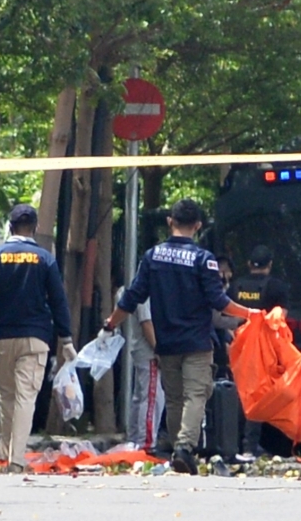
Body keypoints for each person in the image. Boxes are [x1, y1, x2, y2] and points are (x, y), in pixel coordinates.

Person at [100, 199, 258, 475]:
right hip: (196, 342)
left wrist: (111, 323)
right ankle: (185, 447)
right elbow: (219, 301)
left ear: (170, 222)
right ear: (197, 226)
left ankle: (178, 452)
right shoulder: (203, 259)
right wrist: (250, 313)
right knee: (196, 394)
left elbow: (133, 297)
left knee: (173, 398)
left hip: (166, 342)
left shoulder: (152, 256)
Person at [0, 204, 76, 473]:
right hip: (36, 339)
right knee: (26, 397)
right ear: (36, 228)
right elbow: (58, 301)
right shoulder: (45, 259)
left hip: (3, 338)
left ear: (10, 226)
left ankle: (5, 455)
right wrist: (66, 339)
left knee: (6, 396)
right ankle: (17, 460)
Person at [228, 244, 290, 459]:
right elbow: (279, 320)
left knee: (238, 396)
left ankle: (233, 445)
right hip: (264, 353)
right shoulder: (276, 288)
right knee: (258, 397)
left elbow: (227, 315)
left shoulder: (236, 286)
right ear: (270, 265)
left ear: (248, 264)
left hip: (238, 349)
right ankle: (251, 447)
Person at [119, 288, 166, 454]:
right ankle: (146, 443)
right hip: (149, 351)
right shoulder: (145, 293)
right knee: (152, 397)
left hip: (143, 350)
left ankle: (134, 440)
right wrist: (158, 349)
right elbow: (147, 323)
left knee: (141, 397)